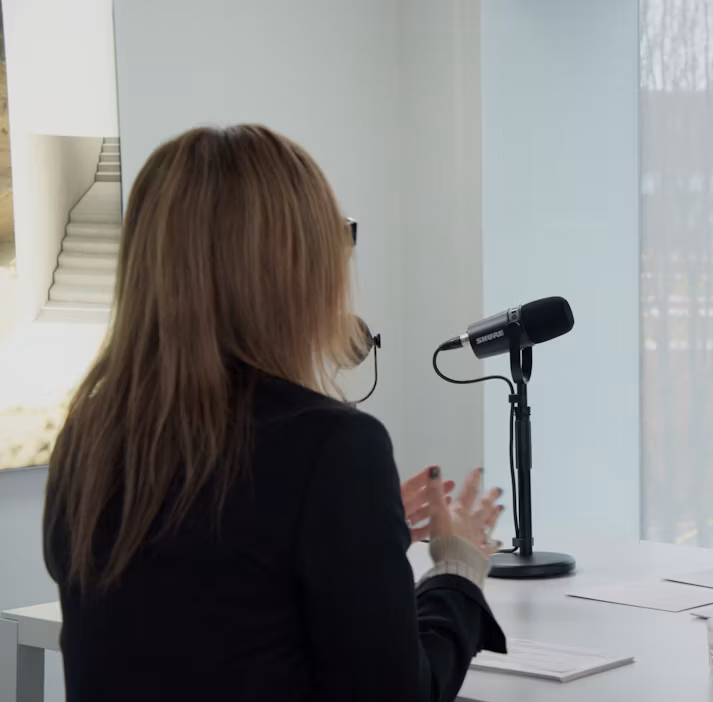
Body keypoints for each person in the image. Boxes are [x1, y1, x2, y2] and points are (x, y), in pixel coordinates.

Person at [43, 124, 506, 701]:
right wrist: (457, 570)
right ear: (292, 268)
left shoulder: (89, 436)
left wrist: (354, 530)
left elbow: (207, 618)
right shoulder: (333, 446)